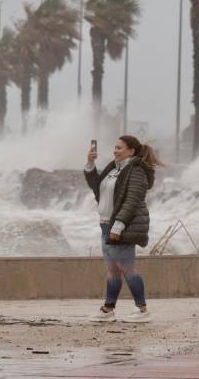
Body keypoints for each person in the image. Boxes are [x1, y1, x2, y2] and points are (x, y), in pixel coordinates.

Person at [83, 135, 163, 323]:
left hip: (120, 225)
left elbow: (132, 200)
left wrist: (118, 225)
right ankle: (108, 309)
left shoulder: (135, 171)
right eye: (115, 147)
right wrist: (90, 163)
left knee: (127, 268)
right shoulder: (114, 168)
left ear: (131, 151)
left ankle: (142, 310)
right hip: (105, 224)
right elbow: (98, 188)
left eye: (119, 148)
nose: (115, 150)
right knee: (112, 269)